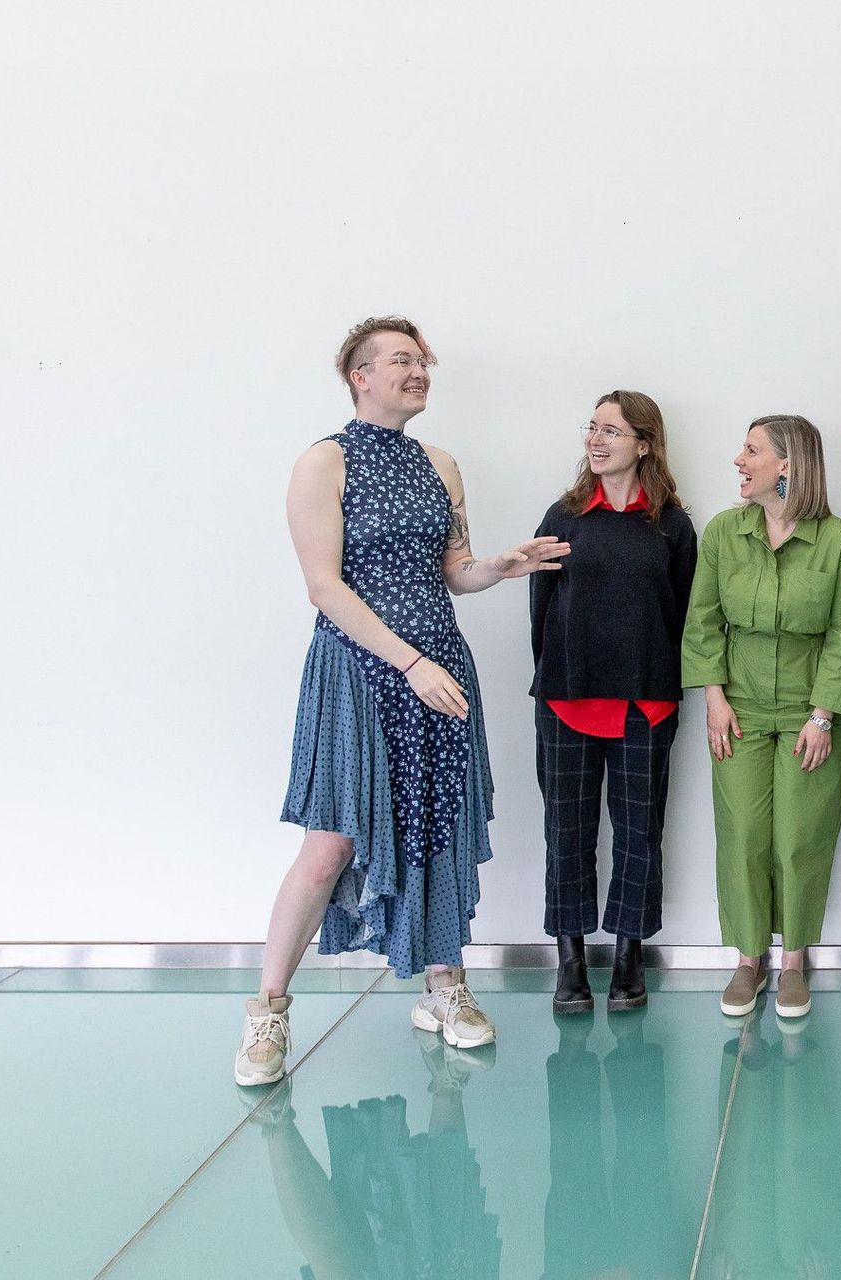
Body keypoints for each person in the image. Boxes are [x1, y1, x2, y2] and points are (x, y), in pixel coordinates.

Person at [235, 316, 569, 1087]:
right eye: (401, 360)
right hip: (360, 671)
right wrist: (407, 660)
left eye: (422, 361)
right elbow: (325, 586)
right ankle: (266, 1014)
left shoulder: (441, 464)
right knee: (330, 847)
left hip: (439, 668)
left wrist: (500, 566)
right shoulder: (323, 462)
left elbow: (453, 572)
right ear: (359, 374)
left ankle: (443, 987)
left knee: (438, 826)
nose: (418, 371)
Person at [682, 415, 841, 1019]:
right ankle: (748, 958)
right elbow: (703, 620)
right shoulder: (723, 533)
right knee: (741, 837)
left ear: (787, 464)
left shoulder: (838, 542)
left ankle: (794, 960)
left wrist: (822, 715)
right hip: (738, 706)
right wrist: (711, 694)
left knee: (798, 839)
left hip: (812, 712)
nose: (739, 459)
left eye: (751, 450)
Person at [529, 391, 696, 1014]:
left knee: (638, 835)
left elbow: (680, 614)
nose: (596, 440)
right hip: (568, 701)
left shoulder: (673, 525)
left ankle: (629, 955)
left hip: (645, 707)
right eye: (592, 428)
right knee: (565, 834)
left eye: (612, 431)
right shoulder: (563, 516)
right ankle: (569, 959)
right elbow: (541, 611)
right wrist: (552, 678)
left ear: (644, 443)